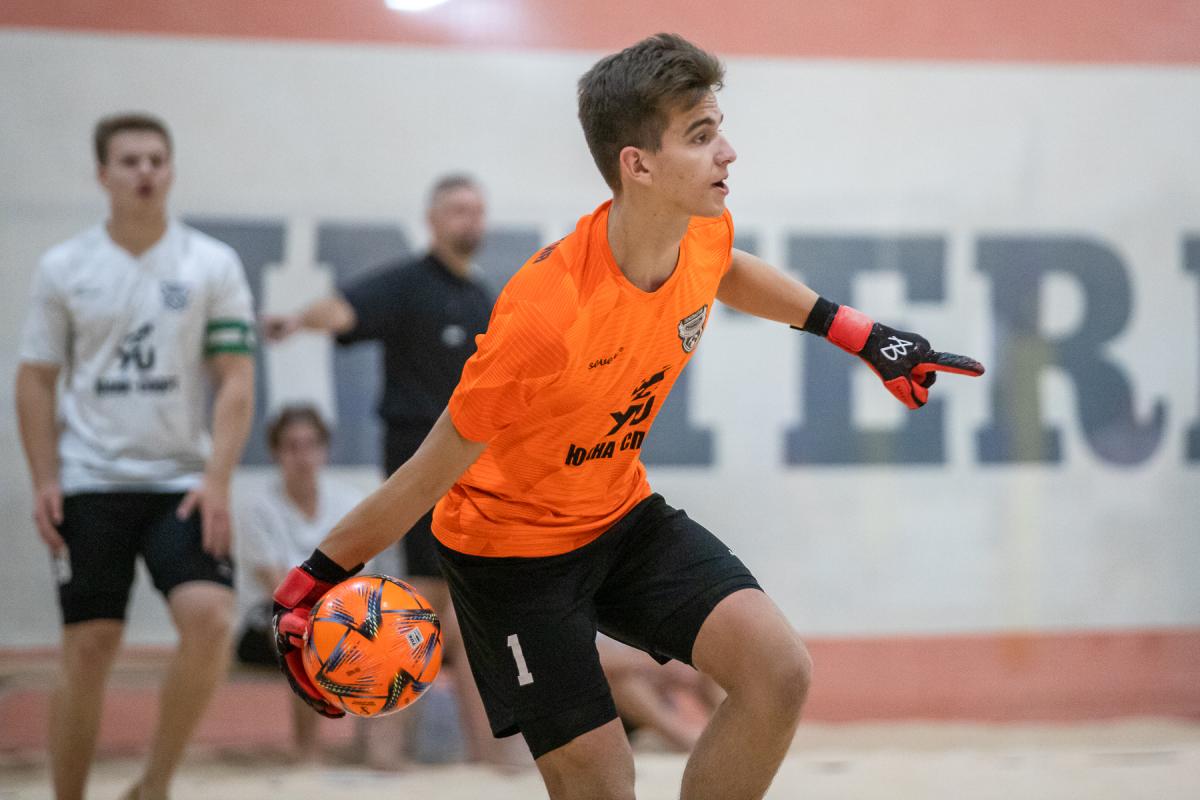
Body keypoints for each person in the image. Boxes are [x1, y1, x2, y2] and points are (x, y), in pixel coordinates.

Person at [271, 34, 984, 800]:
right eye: (701, 137)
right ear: (637, 165)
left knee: (778, 671)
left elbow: (726, 271)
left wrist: (862, 335)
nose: (729, 153)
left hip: (620, 518)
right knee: (605, 782)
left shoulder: (701, 230)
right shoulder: (544, 316)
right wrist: (310, 581)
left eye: (720, 129)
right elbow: (426, 475)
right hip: (510, 556)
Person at [15, 113, 256, 800]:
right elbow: (35, 380)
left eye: (156, 158)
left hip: (182, 481)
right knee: (90, 645)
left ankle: (153, 784)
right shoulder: (65, 267)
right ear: (103, 175)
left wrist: (217, 479)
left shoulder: (211, 263)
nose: (145, 171)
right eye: (130, 161)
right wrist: (45, 478)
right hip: (91, 480)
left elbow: (236, 378)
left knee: (211, 620)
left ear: (171, 170)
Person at [259, 175, 509, 768]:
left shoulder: (483, 297)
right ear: (432, 219)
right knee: (420, 602)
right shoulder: (407, 283)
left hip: (478, 470)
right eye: (458, 210)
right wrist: (299, 321)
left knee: (473, 610)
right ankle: (385, 752)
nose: (469, 220)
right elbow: (344, 308)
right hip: (420, 464)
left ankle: (485, 755)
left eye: (477, 211)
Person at [234, 405, 364, 761]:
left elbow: (360, 584)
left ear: (324, 451)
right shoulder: (258, 508)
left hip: (339, 615)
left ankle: (372, 745)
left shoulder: (349, 503)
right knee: (302, 629)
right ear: (276, 453)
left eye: (310, 445)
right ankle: (307, 749)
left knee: (381, 631)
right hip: (265, 622)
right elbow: (281, 590)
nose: (302, 456)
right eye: (292, 446)